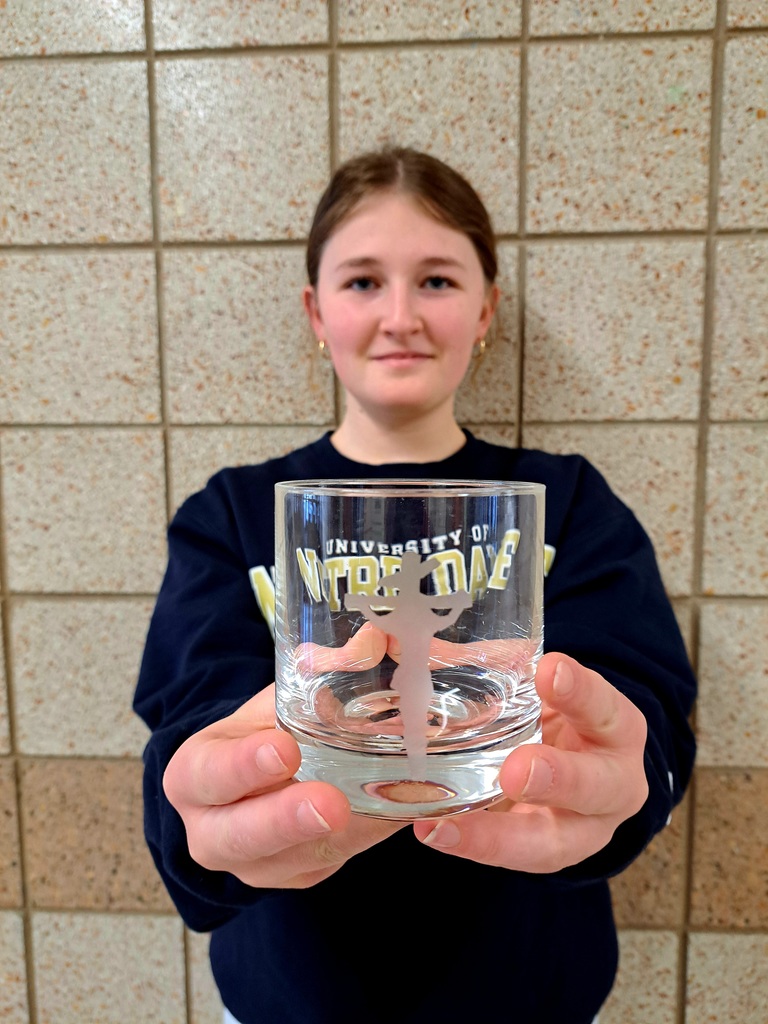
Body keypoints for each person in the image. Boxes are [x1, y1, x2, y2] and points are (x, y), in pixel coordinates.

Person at [134, 146, 697, 1024]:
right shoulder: (232, 515)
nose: (400, 316)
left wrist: (625, 781)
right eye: (363, 282)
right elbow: (184, 738)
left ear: (486, 311)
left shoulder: (568, 502)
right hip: (295, 996)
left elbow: (647, 718)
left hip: (527, 993)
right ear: (316, 313)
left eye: (436, 280)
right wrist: (203, 823)